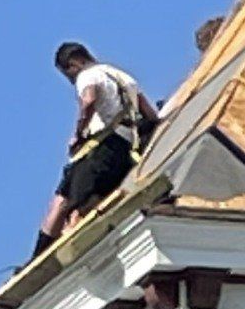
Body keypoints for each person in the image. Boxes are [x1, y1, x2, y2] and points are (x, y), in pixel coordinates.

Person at [34, 44, 160, 254]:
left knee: (63, 200)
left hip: (102, 148)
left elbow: (89, 100)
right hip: (126, 151)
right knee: (94, 200)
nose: (71, 80)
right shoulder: (120, 75)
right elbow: (149, 113)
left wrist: (78, 133)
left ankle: (41, 253)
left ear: (74, 63)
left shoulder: (87, 75)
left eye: (68, 74)